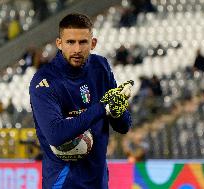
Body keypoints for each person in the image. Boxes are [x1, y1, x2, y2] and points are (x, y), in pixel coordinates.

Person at [29, 13, 133, 189]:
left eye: (83, 42)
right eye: (70, 42)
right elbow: (55, 134)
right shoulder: (44, 81)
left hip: (98, 181)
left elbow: (124, 126)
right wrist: (102, 108)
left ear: (93, 43)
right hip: (64, 182)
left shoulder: (101, 67)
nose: (77, 49)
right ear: (59, 43)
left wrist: (117, 110)